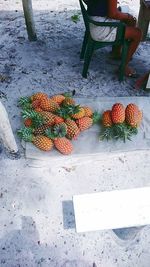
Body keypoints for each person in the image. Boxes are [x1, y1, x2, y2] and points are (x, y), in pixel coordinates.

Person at [86, 0, 142, 77]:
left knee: (127, 16)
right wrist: (129, 17)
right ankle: (123, 67)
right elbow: (113, 14)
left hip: (93, 21)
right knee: (137, 33)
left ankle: (116, 52)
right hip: (100, 28)